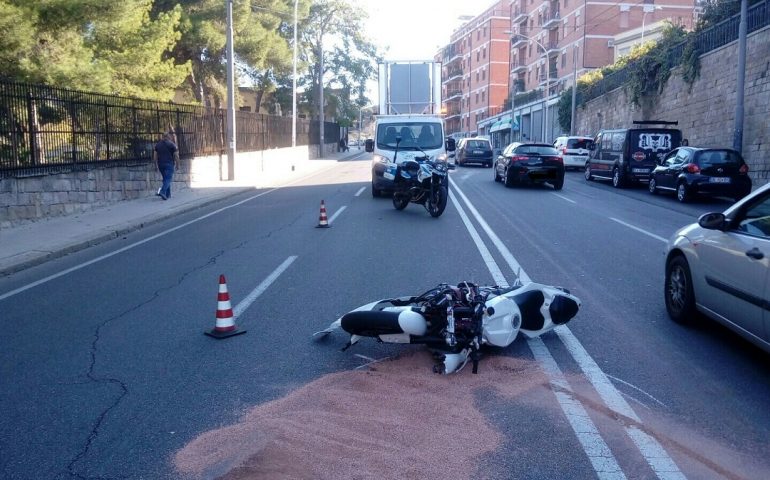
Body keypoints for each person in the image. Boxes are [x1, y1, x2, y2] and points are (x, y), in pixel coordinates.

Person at [153, 131, 179, 200]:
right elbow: (176, 156)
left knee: (165, 179)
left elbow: (155, 156)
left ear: (162, 137)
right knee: (168, 179)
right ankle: (162, 191)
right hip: (169, 164)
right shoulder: (172, 145)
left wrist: (155, 165)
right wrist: (178, 165)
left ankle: (167, 195)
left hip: (160, 164)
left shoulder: (157, 145)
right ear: (168, 137)